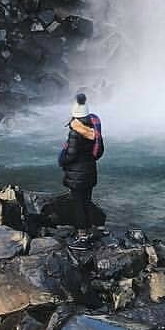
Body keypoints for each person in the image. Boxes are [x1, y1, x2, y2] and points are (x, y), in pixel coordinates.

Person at [61, 91, 101, 242]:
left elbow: (70, 155)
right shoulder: (94, 128)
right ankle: (90, 229)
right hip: (90, 171)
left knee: (78, 203)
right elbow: (98, 151)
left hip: (76, 174)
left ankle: (82, 235)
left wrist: (62, 161)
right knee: (87, 201)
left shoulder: (75, 133)